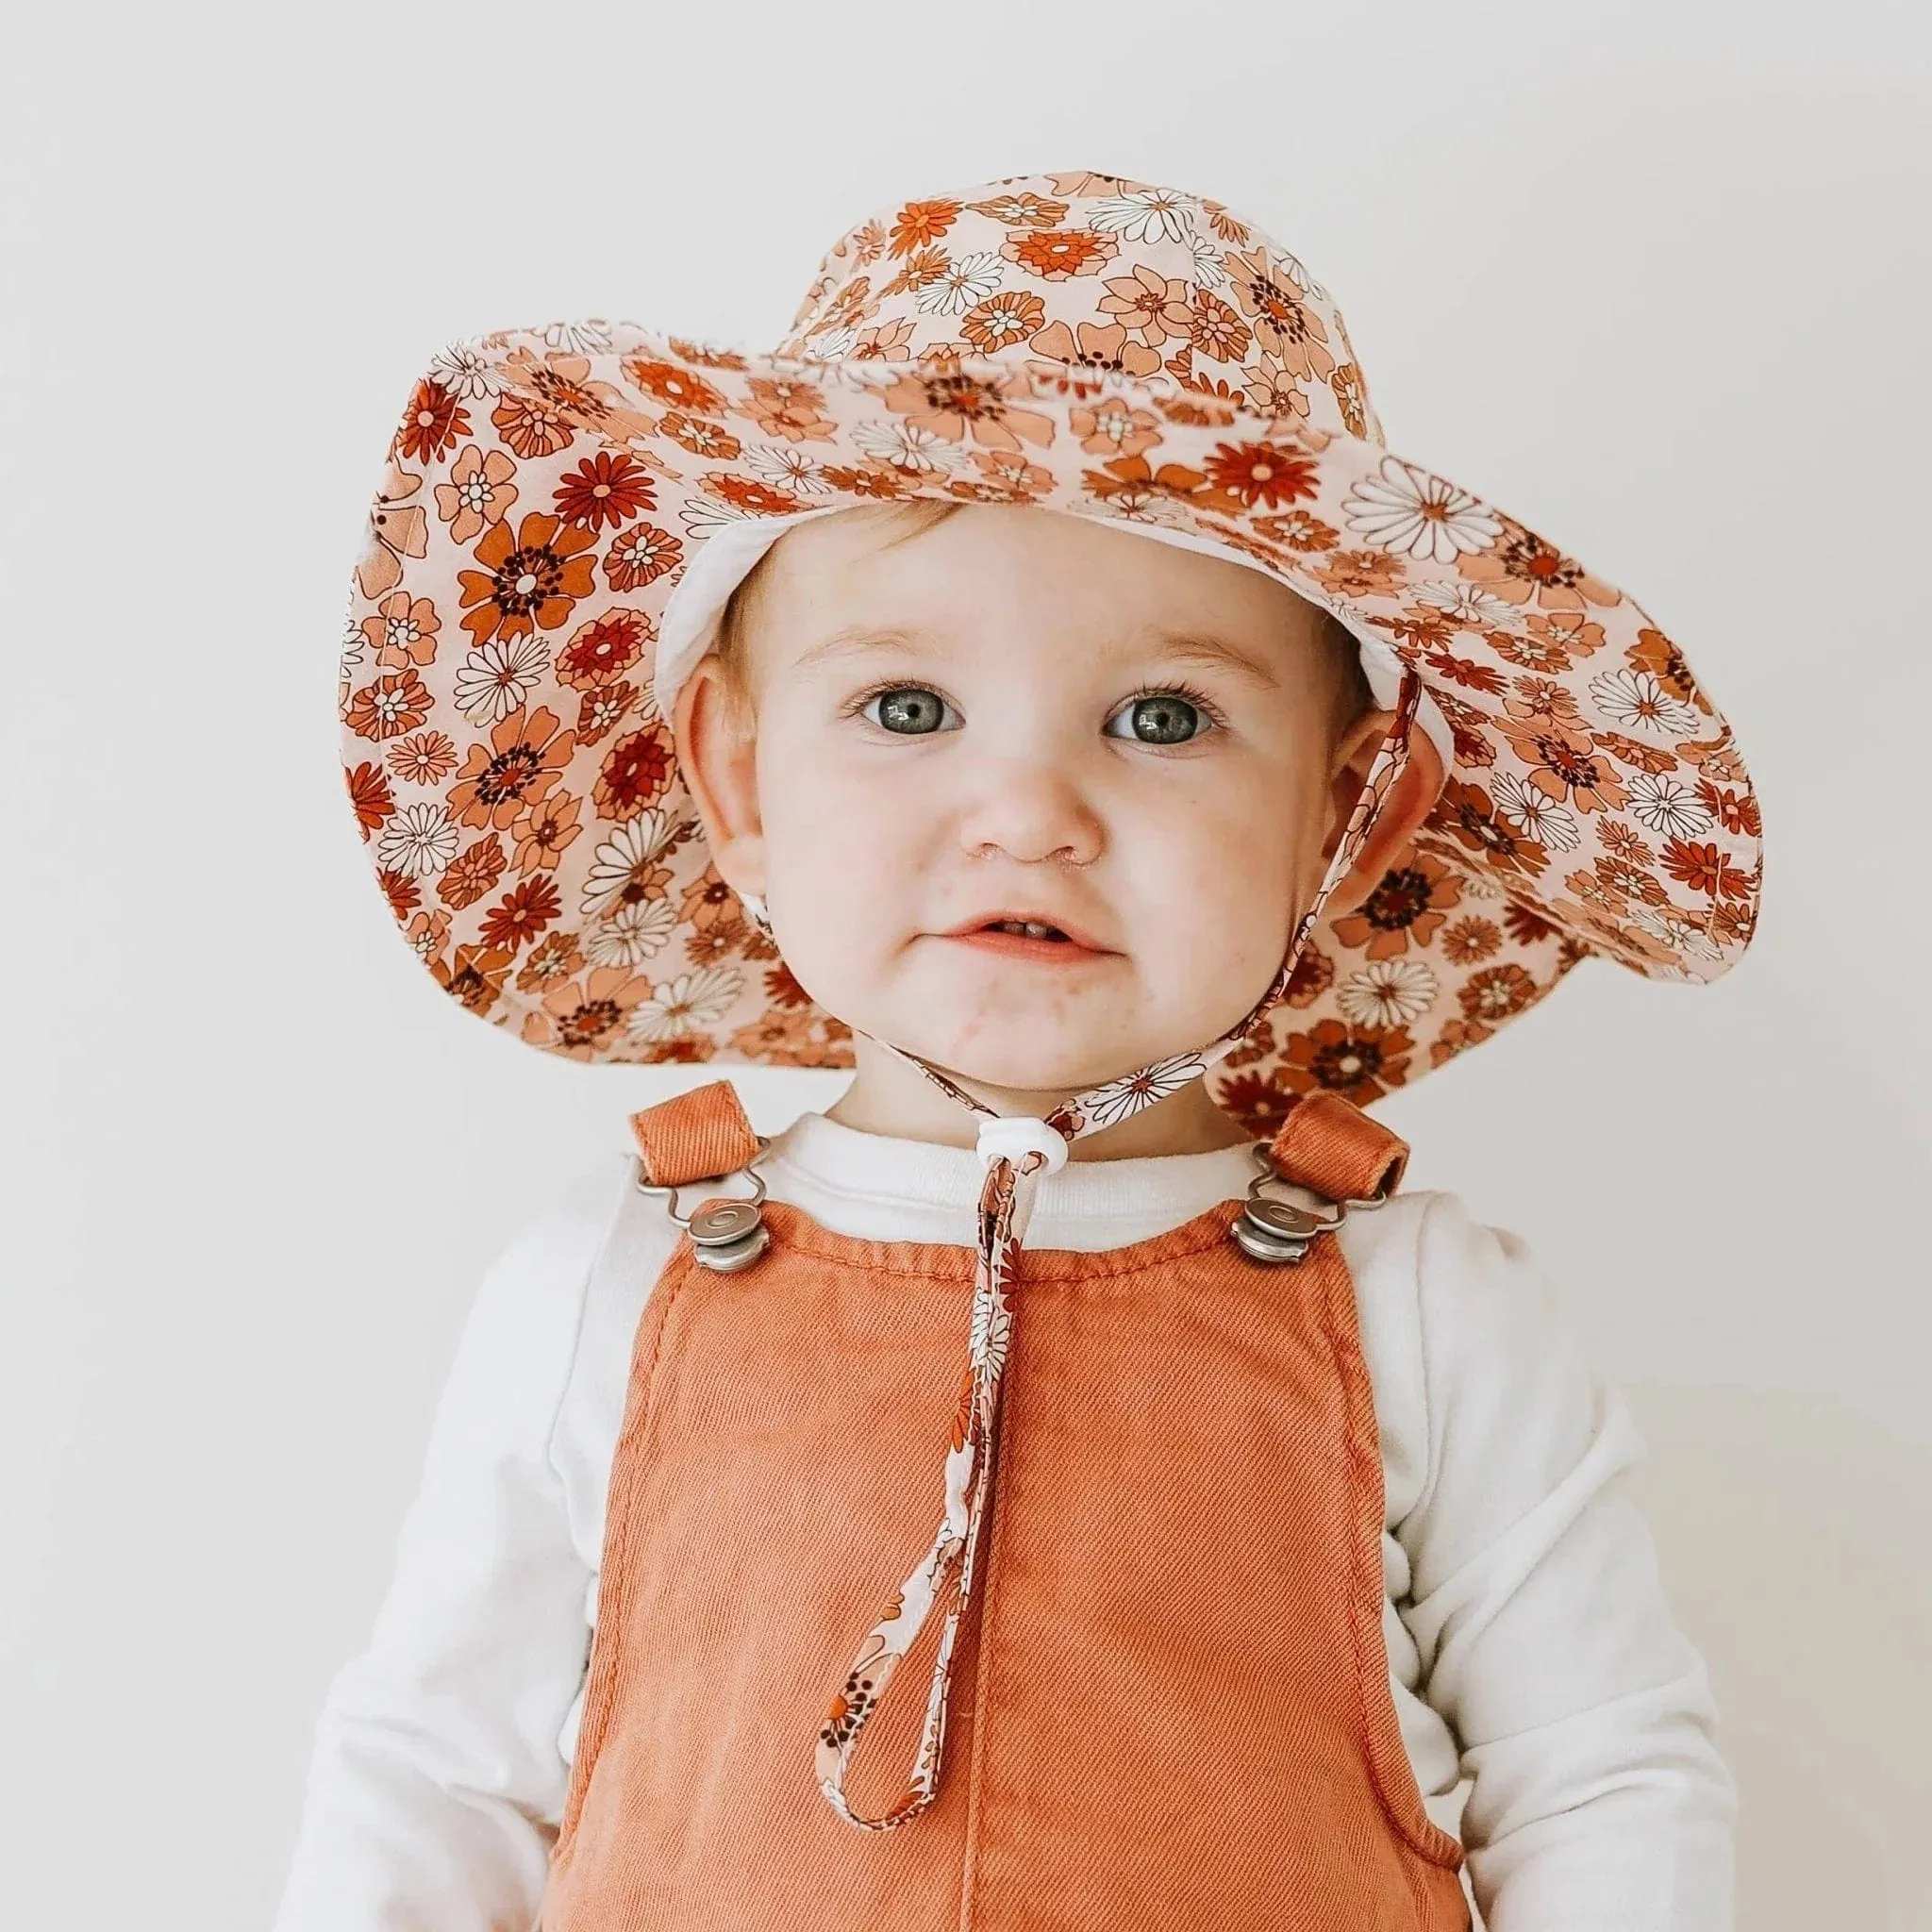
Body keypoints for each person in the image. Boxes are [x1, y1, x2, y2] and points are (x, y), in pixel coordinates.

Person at [282, 169, 1761, 1929]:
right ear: (741, 782)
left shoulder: (1428, 1313)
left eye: (1163, 717)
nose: (1029, 814)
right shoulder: (603, 1288)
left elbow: (1604, 1787)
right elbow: (437, 1780)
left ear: (1354, 811)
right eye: (908, 710)